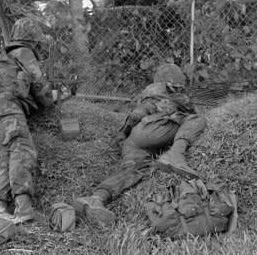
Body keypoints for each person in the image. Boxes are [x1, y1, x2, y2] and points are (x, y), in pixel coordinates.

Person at [73, 63, 207, 228]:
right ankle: (176, 154)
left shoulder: (148, 93)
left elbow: (137, 114)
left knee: (133, 169)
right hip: (153, 131)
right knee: (196, 120)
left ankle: (96, 198)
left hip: (135, 139)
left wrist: (122, 133)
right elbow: (189, 113)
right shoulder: (172, 93)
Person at [0, 17, 54, 224]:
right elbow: (39, 84)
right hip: (10, 108)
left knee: (7, 157)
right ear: (32, 39)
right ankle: (24, 210)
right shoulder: (24, 52)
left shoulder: (5, 55)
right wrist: (51, 99)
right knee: (22, 151)